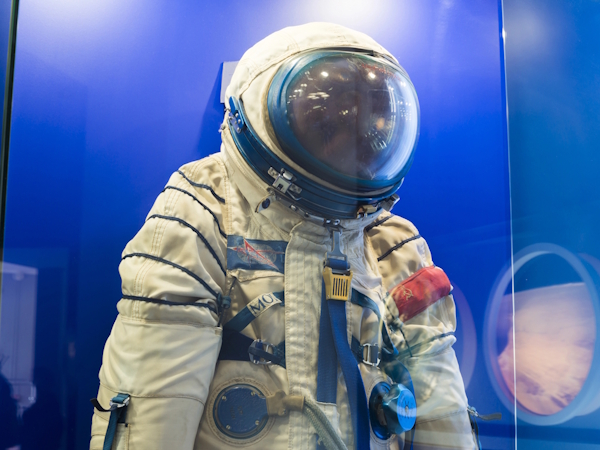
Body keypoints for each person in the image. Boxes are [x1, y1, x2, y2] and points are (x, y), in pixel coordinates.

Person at [90, 23, 478, 450]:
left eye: (366, 126)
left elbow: (443, 414)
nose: (350, 144)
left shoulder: (392, 245)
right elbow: (154, 409)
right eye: (327, 125)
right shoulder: (206, 207)